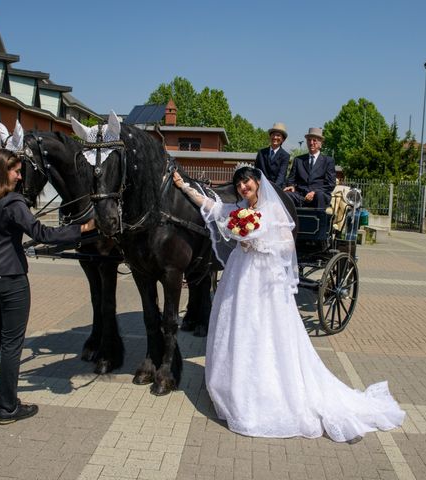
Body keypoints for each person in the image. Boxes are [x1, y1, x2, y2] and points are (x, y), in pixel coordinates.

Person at [173, 166, 404, 441]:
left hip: (264, 278)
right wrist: (184, 187)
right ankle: (233, 385)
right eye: (239, 184)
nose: (243, 187)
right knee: (237, 326)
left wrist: (255, 241)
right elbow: (212, 206)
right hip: (240, 275)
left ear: (257, 183)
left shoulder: (272, 210)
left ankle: (264, 390)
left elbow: (285, 246)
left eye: (246, 182)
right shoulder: (238, 210)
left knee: (263, 330)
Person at [0, 149, 96, 425]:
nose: (19, 175)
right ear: (2, 172)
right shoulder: (12, 203)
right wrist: (81, 229)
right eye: (15, 170)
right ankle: (9, 407)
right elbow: (42, 234)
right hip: (10, 280)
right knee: (13, 344)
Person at [284, 127, 336, 209]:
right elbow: (291, 179)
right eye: (309, 140)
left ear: (320, 143)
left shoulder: (328, 161)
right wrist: (291, 186)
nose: (311, 143)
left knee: (320, 196)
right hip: (301, 195)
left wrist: (314, 192)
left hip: (318, 196)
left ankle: (319, 221)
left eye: (314, 140)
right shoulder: (298, 160)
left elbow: (330, 184)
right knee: (286, 194)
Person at [254, 122, 290, 188]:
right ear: (270, 136)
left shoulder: (285, 156)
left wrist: (272, 188)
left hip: (277, 188)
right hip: (261, 186)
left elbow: (281, 176)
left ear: (283, 139)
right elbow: (256, 171)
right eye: (273, 134)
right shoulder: (261, 153)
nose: (275, 137)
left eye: (278, 135)